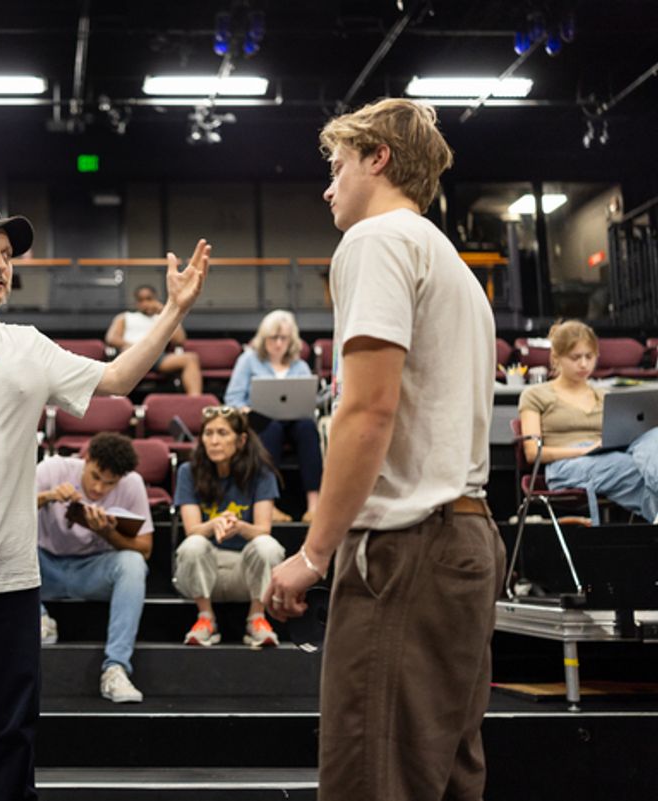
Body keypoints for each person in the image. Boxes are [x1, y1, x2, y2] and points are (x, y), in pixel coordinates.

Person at [0, 201, 209, 800]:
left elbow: (117, 379)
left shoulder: (27, 345)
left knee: (13, 739)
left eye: (7, 254)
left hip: (7, 576)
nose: (1, 264)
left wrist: (175, 311)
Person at [264, 98, 502, 801]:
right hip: (467, 538)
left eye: (338, 166)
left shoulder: (376, 241)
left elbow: (369, 411)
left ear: (379, 159)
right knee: (448, 774)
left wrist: (313, 553)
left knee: (374, 780)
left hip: (407, 547)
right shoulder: (456, 268)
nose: (328, 185)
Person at [36, 432, 153, 703]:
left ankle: (116, 668)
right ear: (85, 460)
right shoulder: (54, 468)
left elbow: (146, 549)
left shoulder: (133, 484)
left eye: (110, 483)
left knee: (133, 564)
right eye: (96, 476)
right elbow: (7, 510)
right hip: (42, 567)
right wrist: (48, 496)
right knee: (9, 543)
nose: (99, 489)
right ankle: (39, 618)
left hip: (90, 571)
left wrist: (107, 534)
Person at [518, 320, 658, 521]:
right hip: (565, 465)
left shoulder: (604, 396)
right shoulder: (535, 395)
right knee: (634, 468)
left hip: (609, 457)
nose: (583, 364)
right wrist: (583, 450)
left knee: (653, 437)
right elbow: (532, 453)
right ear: (556, 357)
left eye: (589, 357)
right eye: (575, 357)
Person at [173, 405, 284, 647]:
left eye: (222, 433)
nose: (213, 441)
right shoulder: (188, 472)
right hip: (202, 570)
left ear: (241, 439)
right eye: (208, 433)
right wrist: (214, 524)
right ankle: (205, 619)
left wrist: (240, 526)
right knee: (193, 544)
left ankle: (257, 618)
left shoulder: (261, 473)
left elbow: (263, 529)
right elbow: (192, 530)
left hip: (243, 571)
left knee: (267, 545)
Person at [224, 309, 323, 522]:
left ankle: (314, 505)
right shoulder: (248, 360)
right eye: (273, 338)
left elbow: (308, 400)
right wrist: (245, 410)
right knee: (272, 429)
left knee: (308, 428)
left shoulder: (300, 366)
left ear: (291, 340)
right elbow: (232, 398)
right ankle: (269, 504)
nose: (278, 343)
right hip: (262, 421)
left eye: (284, 338)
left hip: (295, 420)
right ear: (264, 338)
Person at [105, 285, 203, 395]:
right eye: (141, 300)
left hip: (157, 357)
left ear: (155, 299)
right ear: (136, 303)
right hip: (131, 354)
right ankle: (116, 400)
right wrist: (132, 346)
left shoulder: (162, 318)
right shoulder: (125, 317)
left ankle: (196, 402)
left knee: (191, 358)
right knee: (122, 357)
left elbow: (180, 340)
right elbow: (111, 338)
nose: (145, 303)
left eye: (149, 299)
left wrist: (165, 311)